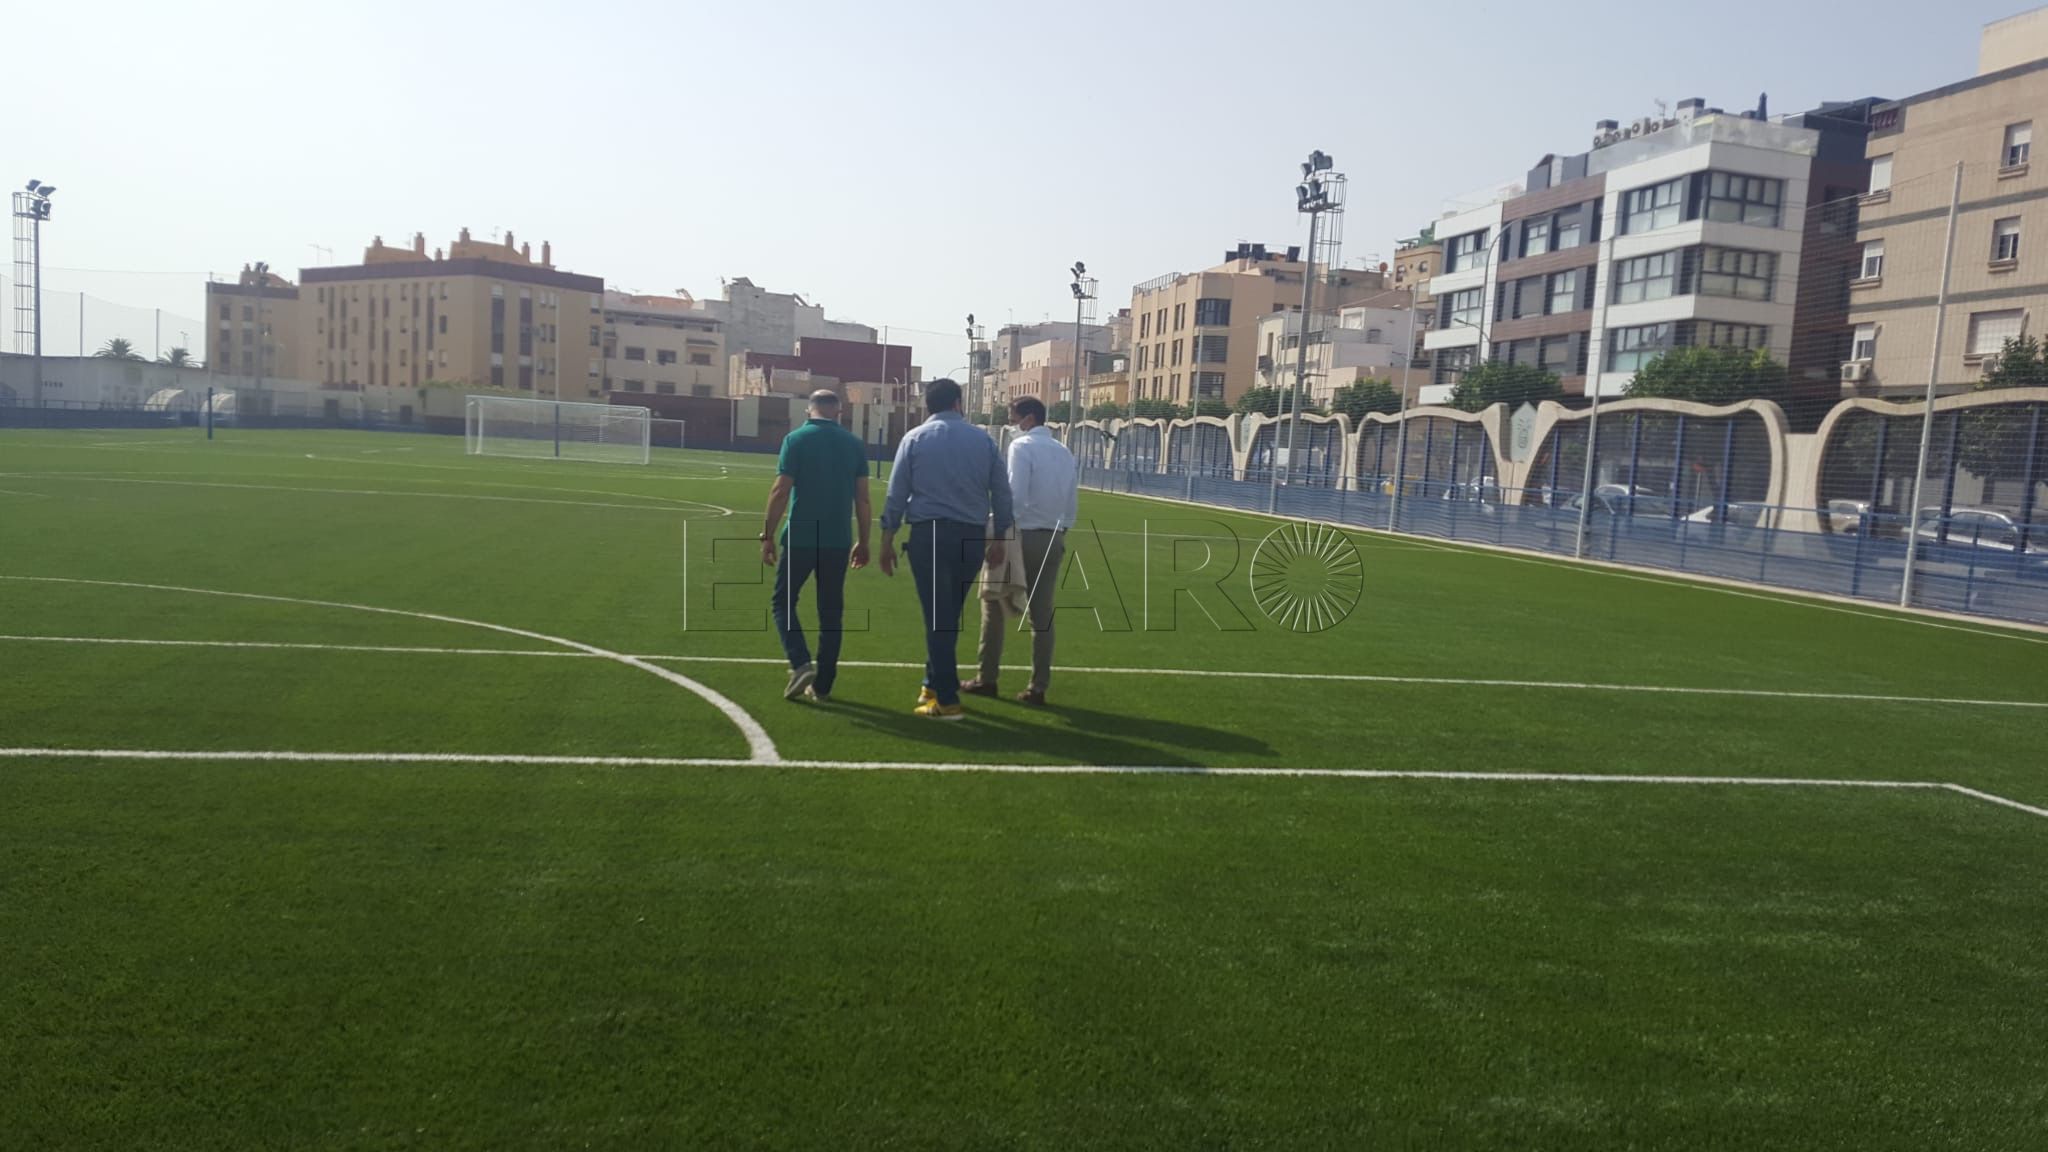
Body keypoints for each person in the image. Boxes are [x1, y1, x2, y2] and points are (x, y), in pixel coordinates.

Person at [877, 378, 1013, 720]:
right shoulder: (983, 440)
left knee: (938, 616)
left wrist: (886, 537)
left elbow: (897, 493)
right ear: (958, 402)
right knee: (947, 615)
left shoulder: (915, 438)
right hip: (970, 536)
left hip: (930, 534)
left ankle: (948, 698)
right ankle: (932, 684)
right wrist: (1000, 538)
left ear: (928, 405)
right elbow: (1002, 492)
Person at [962, 395, 1078, 707]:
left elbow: (1015, 497)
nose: (1011, 424)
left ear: (1027, 418)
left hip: (1018, 535)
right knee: (1042, 614)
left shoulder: (1021, 447)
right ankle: (1038, 685)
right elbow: (1070, 503)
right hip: (1052, 536)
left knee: (994, 606)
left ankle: (987, 678)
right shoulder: (1064, 452)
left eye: (1013, 417)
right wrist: (1060, 531)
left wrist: (998, 533)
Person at [761, 389, 871, 703]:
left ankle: (799, 661)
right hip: (837, 539)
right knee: (831, 612)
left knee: (782, 602)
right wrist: (864, 541)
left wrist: (767, 535)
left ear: (809, 410)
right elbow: (862, 498)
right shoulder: (853, 444)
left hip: (801, 537)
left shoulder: (795, 440)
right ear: (839, 412)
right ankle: (822, 685)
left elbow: (780, 491)